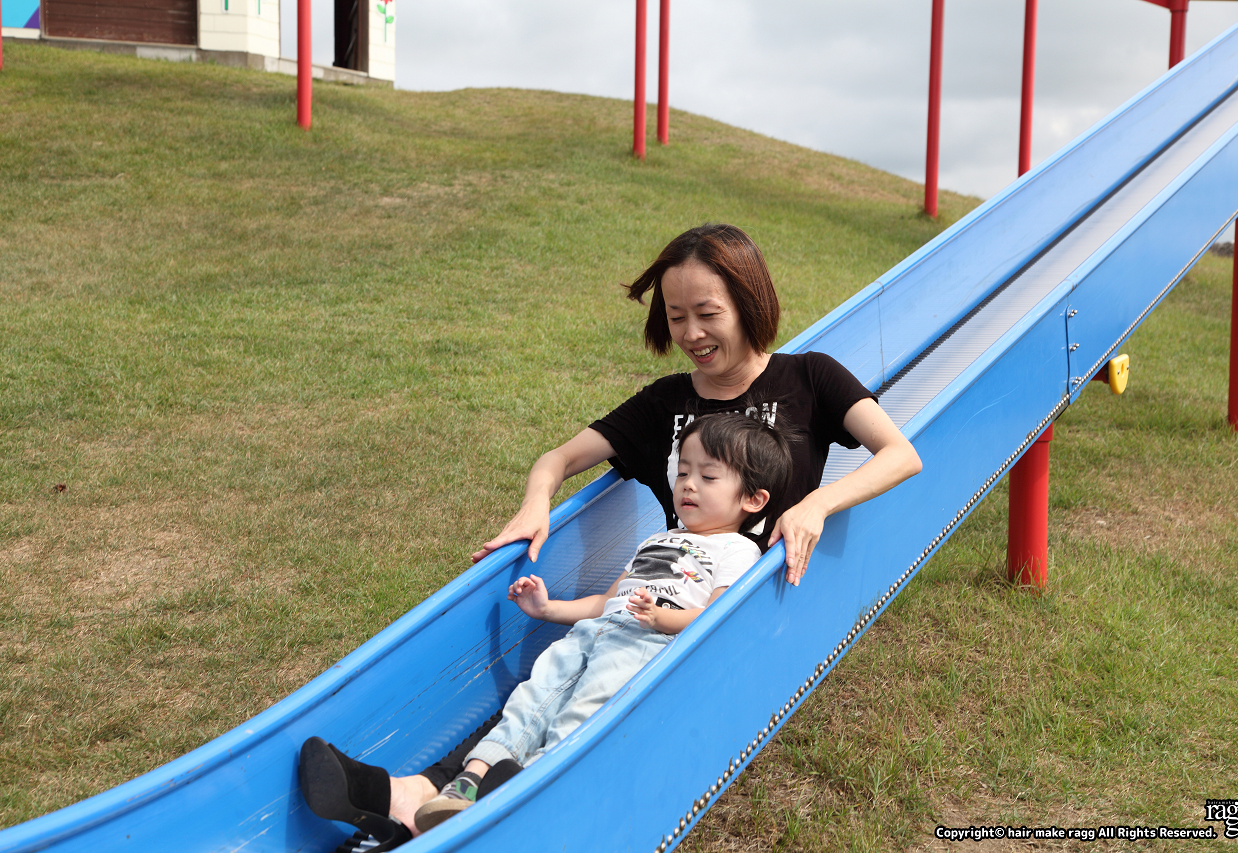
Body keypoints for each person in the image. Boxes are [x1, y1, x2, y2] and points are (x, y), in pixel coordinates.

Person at [299, 223, 922, 850]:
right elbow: (558, 458)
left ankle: (459, 803)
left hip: (723, 616)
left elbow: (900, 455)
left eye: (707, 314)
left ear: (748, 304)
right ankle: (416, 798)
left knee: (585, 696)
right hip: (647, 595)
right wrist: (536, 503)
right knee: (552, 680)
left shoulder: (809, 378)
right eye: (676, 317)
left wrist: (817, 504)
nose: (691, 334)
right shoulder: (665, 403)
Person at [404, 412, 792, 830]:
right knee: (534, 696)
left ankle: (529, 789)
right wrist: (548, 609)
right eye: (683, 472)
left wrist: (660, 617)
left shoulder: (737, 549)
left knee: (583, 711)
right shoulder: (657, 539)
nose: (688, 484)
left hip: (643, 644)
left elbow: (717, 615)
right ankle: (468, 783)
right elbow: (606, 601)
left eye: (708, 476)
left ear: (753, 500)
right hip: (592, 631)